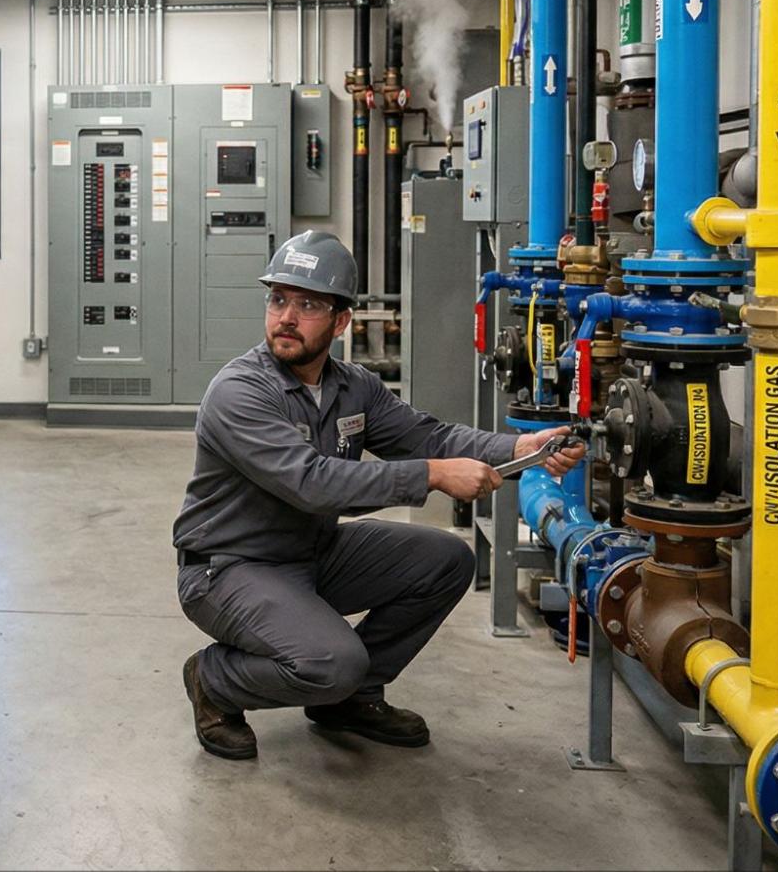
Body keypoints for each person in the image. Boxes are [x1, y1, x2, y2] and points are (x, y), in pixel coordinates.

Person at [174, 230, 583, 758]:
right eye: (278, 299)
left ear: (341, 321)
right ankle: (215, 680)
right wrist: (432, 475)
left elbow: (431, 437)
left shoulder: (353, 386)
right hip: (229, 568)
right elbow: (313, 483)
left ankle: (347, 700)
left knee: (445, 561)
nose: (286, 318)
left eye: (307, 304)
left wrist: (521, 445)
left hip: (309, 553)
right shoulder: (240, 392)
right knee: (332, 662)